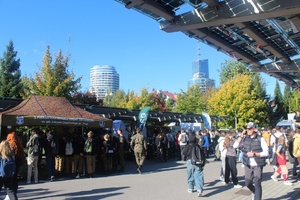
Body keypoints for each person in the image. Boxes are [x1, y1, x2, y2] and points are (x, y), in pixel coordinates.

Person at [235, 122, 268, 200]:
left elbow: (266, 152)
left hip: (257, 164)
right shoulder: (245, 138)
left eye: (250, 129)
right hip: (248, 164)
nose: (248, 130)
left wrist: (254, 154)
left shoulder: (260, 138)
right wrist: (241, 136)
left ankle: (257, 197)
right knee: (247, 183)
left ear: (254, 129)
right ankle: (255, 193)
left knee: (257, 183)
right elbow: (235, 146)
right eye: (247, 129)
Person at [6, 132, 24, 198]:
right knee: (15, 179)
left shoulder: (10, 145)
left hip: (10, 165)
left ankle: (11, 195)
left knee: (9, 182)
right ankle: (14, 194)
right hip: (17, 164)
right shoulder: (19, 145)